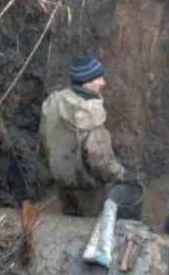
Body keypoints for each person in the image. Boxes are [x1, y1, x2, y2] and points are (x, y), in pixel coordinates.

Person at [39, 56, 125, 217]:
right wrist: (119, 173)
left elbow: (44, 139)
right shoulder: (91, 118)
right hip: (87, 187)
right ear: (86, 83)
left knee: (69, 215)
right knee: (89, 222)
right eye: (98, 78)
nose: (103, 82)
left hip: (62, 180)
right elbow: (100, 160)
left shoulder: (53, 102)